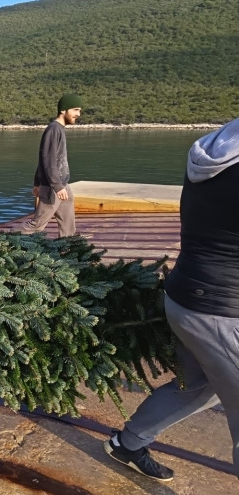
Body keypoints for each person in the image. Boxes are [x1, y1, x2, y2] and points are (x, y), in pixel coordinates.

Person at [104, 118, 239, 482]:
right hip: (220, 311)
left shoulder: (215, 148)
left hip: (188, 298)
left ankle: (127, 444)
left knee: (197, 386)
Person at [21, 93, 82, 237]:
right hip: (53, 187)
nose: (78, 114)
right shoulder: (53, 130)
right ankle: (10, 240)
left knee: (68, 222)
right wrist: (56, 185)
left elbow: (44, 160)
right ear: (63, 110)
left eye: (79, 110)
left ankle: (69, 246)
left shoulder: (59, 129)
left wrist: (37, 183)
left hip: (61, 184)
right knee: (36, 225)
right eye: (75, 110)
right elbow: (48, 160)